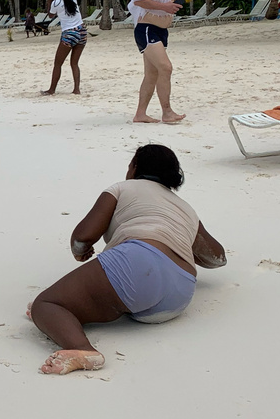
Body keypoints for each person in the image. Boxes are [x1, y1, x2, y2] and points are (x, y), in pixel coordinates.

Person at [29, 144, 226, 375]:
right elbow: (216, 258)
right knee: (107, 296)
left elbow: (83, 237)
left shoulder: (122, 188)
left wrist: (79, 250)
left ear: (133, 168)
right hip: (178, 295)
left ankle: (82, 349)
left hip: (137, 265)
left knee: (46, 305)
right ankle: (73, 310)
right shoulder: (186, 209)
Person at [130, 0, 189, 124]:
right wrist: (165, 7)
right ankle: (167, 112)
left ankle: (140, 114)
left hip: (161, 30)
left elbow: (173, 3)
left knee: (152, 74)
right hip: (146, 28)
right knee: (166, 67)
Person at [41, 0, 87, 95]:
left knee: (58, 63)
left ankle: (52, 89)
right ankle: (76, 89)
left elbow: (50, 15)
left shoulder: (56, 3)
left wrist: (49, 0)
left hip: (69, 34)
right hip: (82, 31)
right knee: (74, 63)